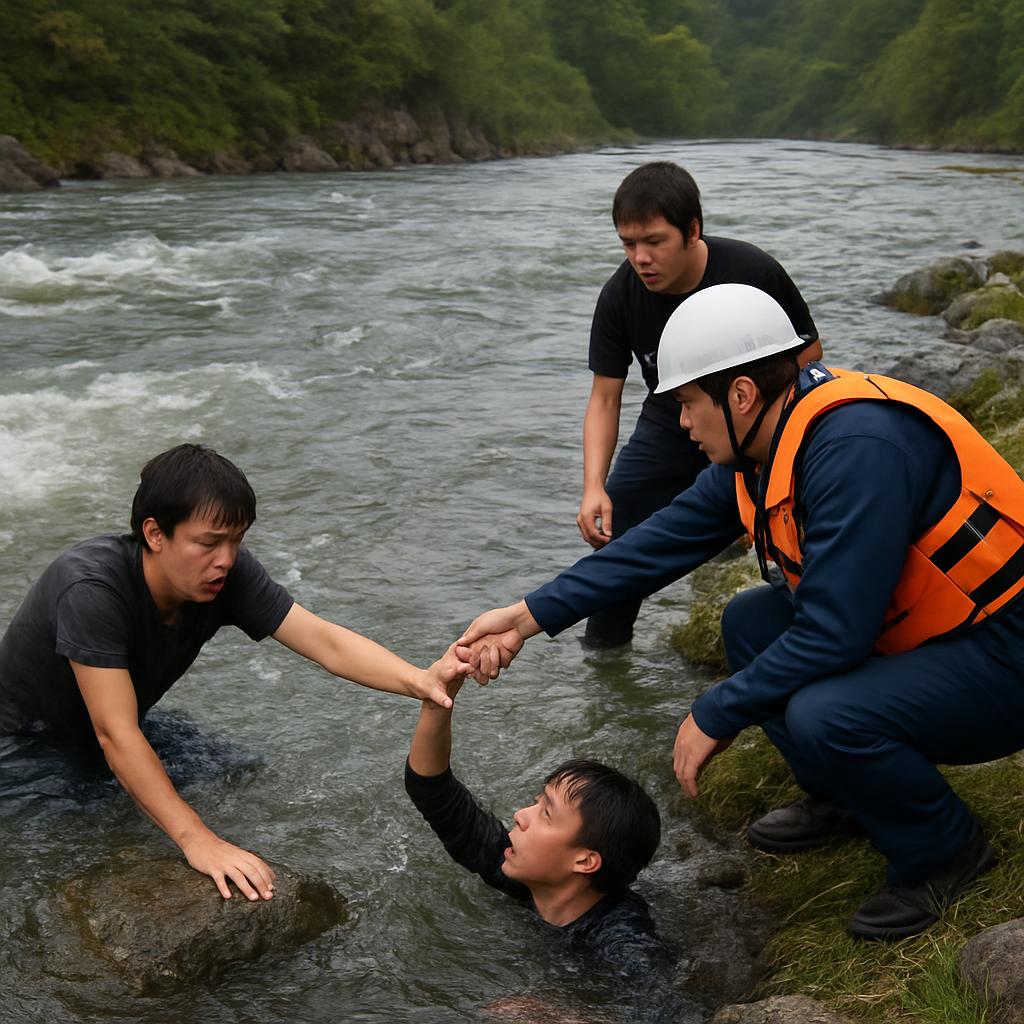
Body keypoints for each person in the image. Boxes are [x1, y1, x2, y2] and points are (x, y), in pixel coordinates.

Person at [457, 283, 1024, 941]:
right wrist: (525, 616)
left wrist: (714, 710)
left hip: (1006, 652)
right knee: (750, 623)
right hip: (949, 640)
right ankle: (847, 797)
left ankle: (945, 850)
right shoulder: (764, 447)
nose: (683, 424)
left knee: (824, 714)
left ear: (742, 395)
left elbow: (836, 634)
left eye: (689, 405)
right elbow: (652, 547)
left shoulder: (857, 447)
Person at [0, 443, 470, 901]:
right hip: (23, 747)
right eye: (208, 543)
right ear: (155, 533)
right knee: (73, 843)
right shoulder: (91, 588)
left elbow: (325, 642)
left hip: (106, 728)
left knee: (242, 774)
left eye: (236, 539)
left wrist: (419, 680)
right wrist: (198, 841)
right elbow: (116, 734)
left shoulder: (225, 574)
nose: (225, 558)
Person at [579, 161, 820, 647]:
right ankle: (605, 659)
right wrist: (593, 487)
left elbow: (808, 359)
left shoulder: (751, 271)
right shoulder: (621, 295)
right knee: (617, 537)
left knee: (796, 531)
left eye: (654, 241)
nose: (640, 258)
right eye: (628, 244)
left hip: (757, 425)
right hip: (671, 421)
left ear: (692, 230)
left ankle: (805, 629)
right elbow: (605, 398)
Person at [405, 671, 666, 973]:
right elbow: (433, 794)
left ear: (584, 861)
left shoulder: (626, 941)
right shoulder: (523, 873)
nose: (520, 814)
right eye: (536, 801)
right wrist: (438, 704)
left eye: (546, 814)